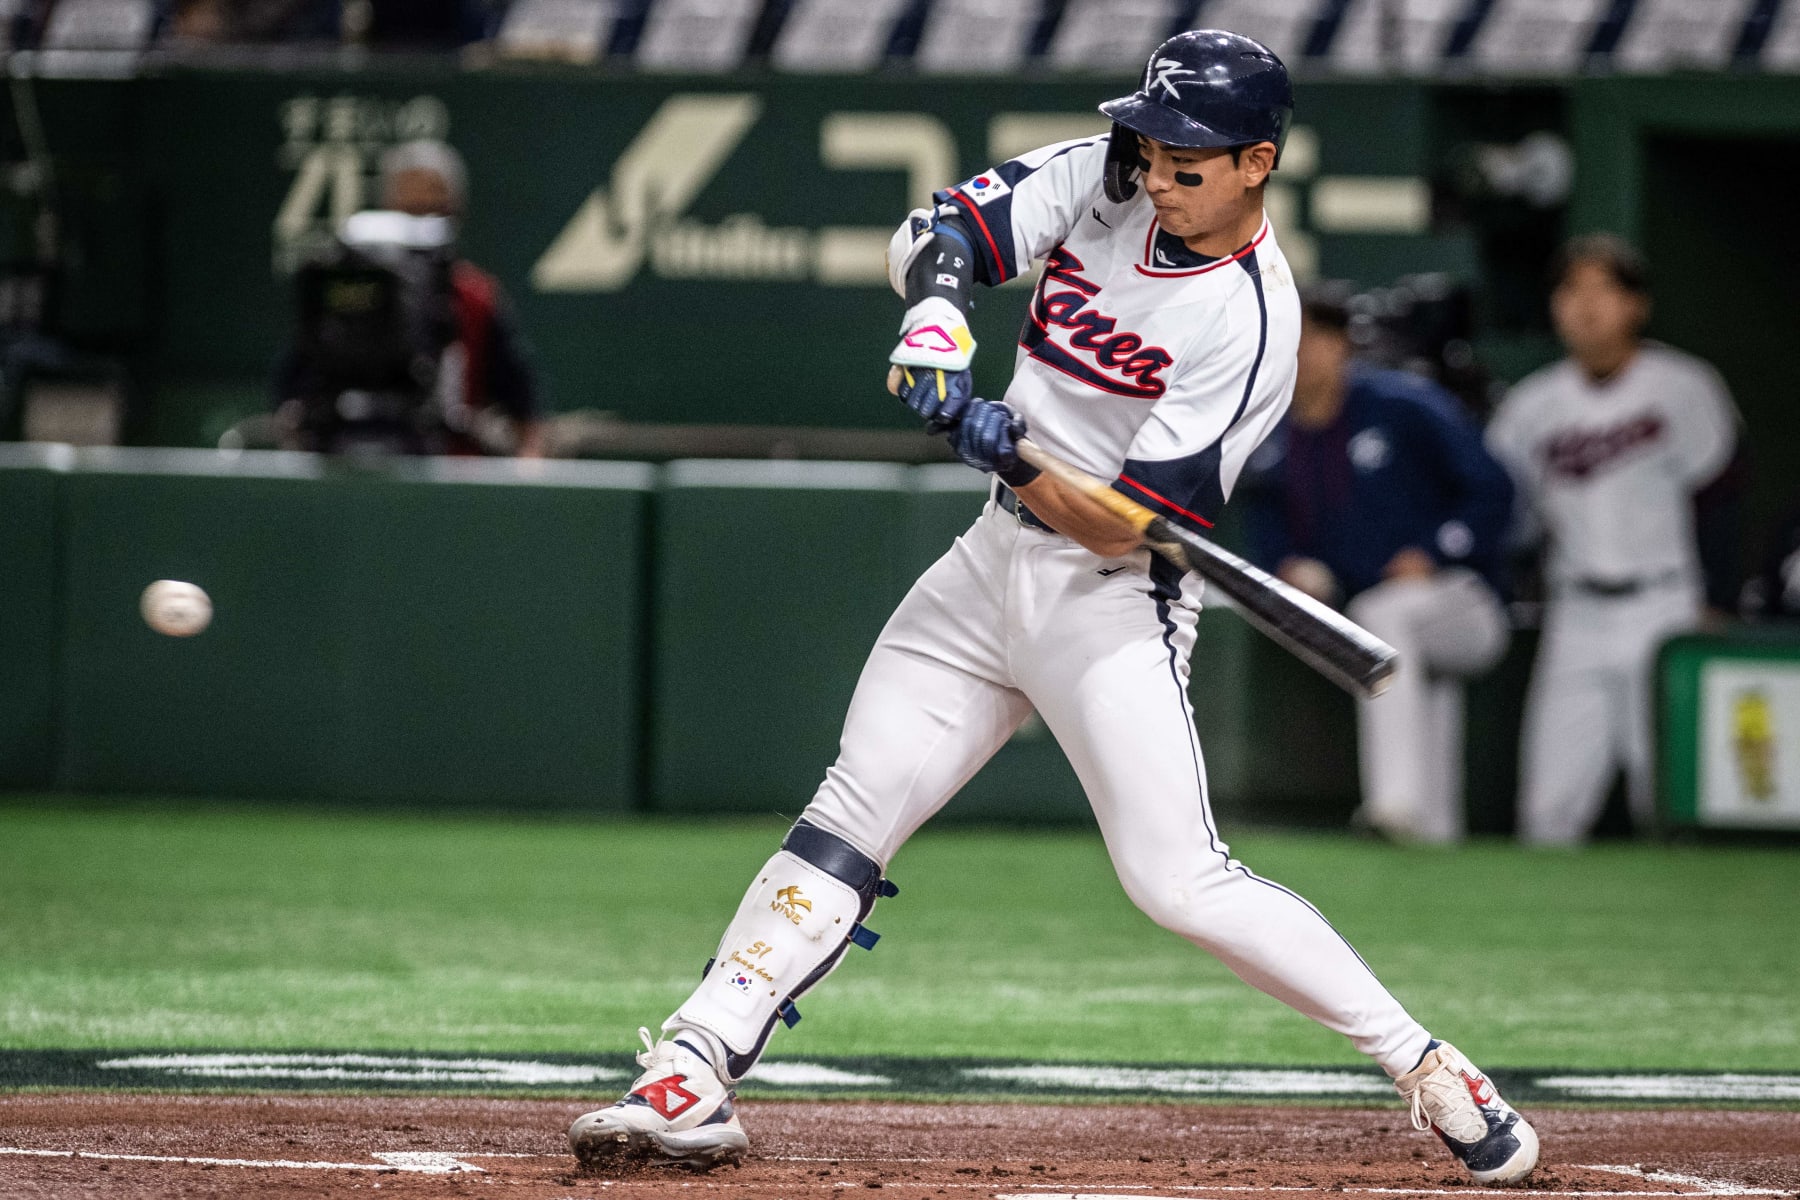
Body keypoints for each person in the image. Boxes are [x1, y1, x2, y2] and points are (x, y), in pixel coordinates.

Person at [567, 31, 1537, 1186]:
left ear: (1257, 164)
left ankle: (1428, 1067)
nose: (1158, 171)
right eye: (1153, 141)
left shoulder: (1254, 323)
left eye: (1191, 158)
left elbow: (1127, 524)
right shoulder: (1104, 172)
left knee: (1176, 882)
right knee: (851, 809)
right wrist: (936, 315)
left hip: (1112, 601)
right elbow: (942, 234)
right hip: (987, 569)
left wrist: (1004, 447)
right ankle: (692, 1063)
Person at [1487, 234, 1738, 845]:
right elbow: (1507, 516)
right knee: (1547, 813)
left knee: (1670, 802)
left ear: (1636, 305)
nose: (1586, 306)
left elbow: (1722, 496)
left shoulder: (1684, 387)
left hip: (1667, 605)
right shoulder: (1532, 406)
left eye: (1604, 289)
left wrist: (1721, 599)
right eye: (1571, 290)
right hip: (1575, 612)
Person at [1241, 287, 1515, 843]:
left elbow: (1494, 487)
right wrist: (1292, 569)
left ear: (1343, 344)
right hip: (1380, 609)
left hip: (1465, 599)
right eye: (1290, 338)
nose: (1302, 352)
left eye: (1315, 336)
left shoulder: (1403, 404)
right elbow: (1268, 537)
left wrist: (1438, 550)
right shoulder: (1273, 436)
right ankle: (1433, 835)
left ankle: (1394, 807)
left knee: (1382, 621)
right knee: (1398, 647)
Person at [275, 139, 545, 457]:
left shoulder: (476, 298)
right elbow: (290, 400)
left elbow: (527, 416)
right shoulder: (344, 295)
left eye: (436, 214)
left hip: (451, 480)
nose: (423, 227)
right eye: (409, 213)